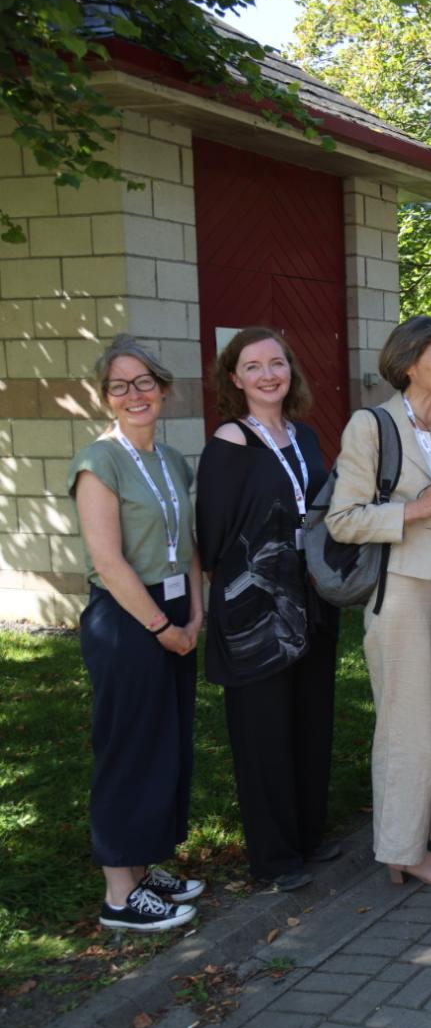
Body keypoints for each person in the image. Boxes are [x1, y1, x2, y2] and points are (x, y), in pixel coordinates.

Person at [326, 315, 431, 887]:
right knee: (409, 724)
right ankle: (400, 850)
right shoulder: (372, 425)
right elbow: (343, 520)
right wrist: (420, 506)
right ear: (410, 362)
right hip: (402, 587)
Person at [197, 327, 339, 893]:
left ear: (290, 370)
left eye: (276, 363)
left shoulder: (302, 437)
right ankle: (275, 858)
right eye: (253, 366)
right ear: (235, 378)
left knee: (310, 720)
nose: (267, 375)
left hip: (311, 600)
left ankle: (307, 835)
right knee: (264, 733)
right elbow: (214, 534)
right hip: (257, 610)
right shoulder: (230, 442)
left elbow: (323, 503)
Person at [70, 336, 205, 931]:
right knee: (128, 747)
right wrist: (161, 628)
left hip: (175, 609)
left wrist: (195, 616)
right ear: (106, 398)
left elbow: (192, 547)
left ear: (164, 388)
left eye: (144, 382)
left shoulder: (170, 460)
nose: (134, 394)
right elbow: (108, 560)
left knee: (164, 743)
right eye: (120, 386)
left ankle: (144, 867)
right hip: (128, 618)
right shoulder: (99, 462)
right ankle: (119, 897)